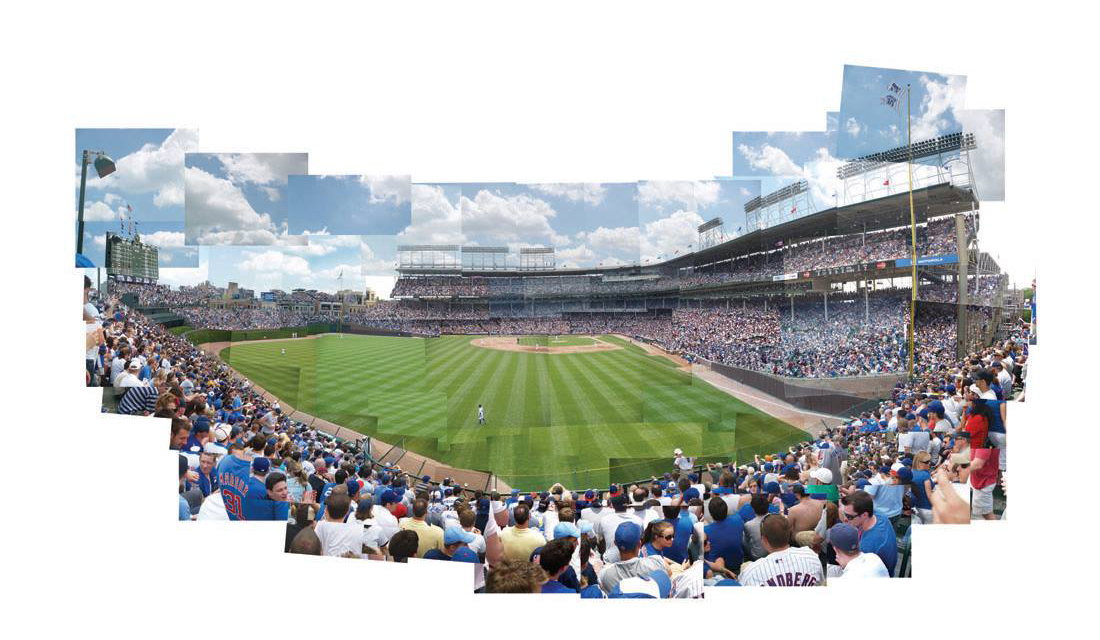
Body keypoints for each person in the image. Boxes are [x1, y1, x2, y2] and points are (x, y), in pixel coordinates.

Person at [737, 514, 824, 586]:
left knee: (745, 565)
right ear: (789, 535)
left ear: (764, 540)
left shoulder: (751, 573)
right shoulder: (812, 557)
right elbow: (819, 583)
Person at [596, 521, 672, 595]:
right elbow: (669, 573)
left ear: (615, 543)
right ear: (639, 543)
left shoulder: (604, 574)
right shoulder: (656, 562)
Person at [839, 490, 897, 574]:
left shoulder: (866, 547)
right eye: (845, 514)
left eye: (849, 516)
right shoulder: (880, 516)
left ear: (865, 515)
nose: (845, 519)